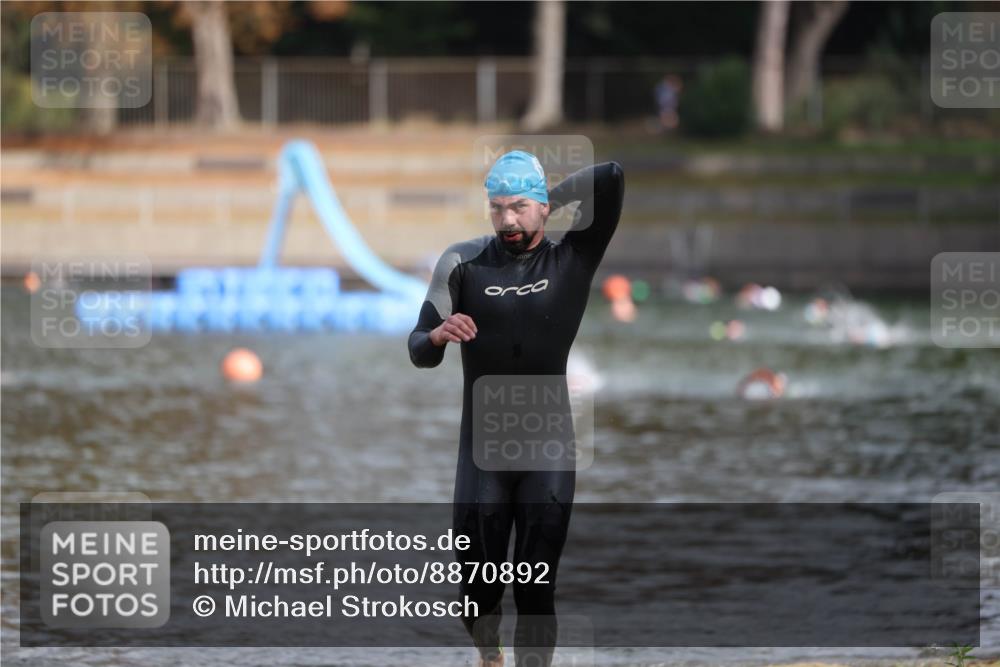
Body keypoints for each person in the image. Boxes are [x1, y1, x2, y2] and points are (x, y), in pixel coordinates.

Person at [407, 150, 625, 666]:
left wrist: (552, 195)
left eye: (520, 207)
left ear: (544, 208)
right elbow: (418, 348)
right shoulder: (463, 264)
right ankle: (490, 656)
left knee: (535, 585)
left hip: (547, 450)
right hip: (482, 452)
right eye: (497, 208)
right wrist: (438, 334)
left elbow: (611, 178)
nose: (507, 220)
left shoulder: (572, 257)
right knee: (478, 594)